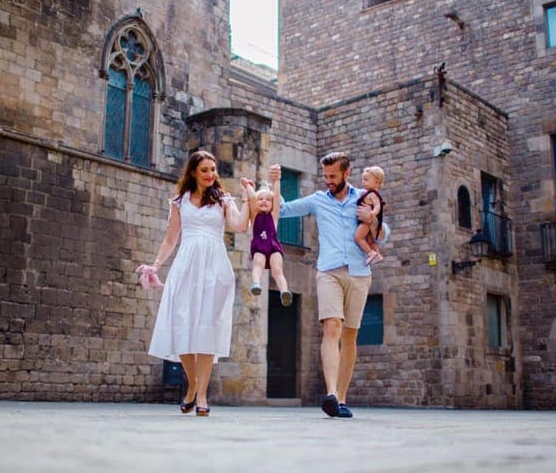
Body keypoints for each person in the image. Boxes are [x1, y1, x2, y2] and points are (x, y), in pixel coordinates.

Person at [270, 152, 389, 419]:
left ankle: (343, 398)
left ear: (347, 174)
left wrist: (372, 220)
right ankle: (332, 394)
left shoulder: (364, 196)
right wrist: (276, 184)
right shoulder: (317, 201)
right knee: (331, 326)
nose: (328, 181)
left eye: (333, 176)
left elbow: (384, 233)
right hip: (329, 272)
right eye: (325, 176)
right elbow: (283, 210)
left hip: (359, 273)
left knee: (349, 335)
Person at [137, 150, 249, 417]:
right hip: (186, 267)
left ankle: (201, 396)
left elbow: (240, 225)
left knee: (206, 330)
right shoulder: (179, 201)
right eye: (205, 170)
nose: (211, 174)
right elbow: (170, 239)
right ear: (193, 172)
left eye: (213, 170)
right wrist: (156, 265)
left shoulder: (223, 199)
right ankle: (193, 385)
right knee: (182, 326)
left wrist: (247, 199)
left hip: (214, 268)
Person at [241, 176, 293, 307]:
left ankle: (284, 292)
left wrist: (276, 180)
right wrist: (248, 186)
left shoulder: (274, 215)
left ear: (273, 203)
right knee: (258, 263)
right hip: (259, 246)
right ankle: (256, 283)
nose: (264, 201)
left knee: (277, 270)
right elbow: (252, 198)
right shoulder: (254, 216)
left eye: (268, 200)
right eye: (261, 199)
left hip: (273, 246)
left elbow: (276, 196)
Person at [355, 166, 386, 266]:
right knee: (369, 240)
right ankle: (377, 254)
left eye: (366, 180)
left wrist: (372, 213)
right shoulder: (367, 193)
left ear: (376, 182)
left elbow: (378, 206)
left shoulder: (373, 194)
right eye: (363, 180)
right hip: (366, 220)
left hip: (366, 221)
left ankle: (370, 253)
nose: (363, 182)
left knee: (358, 238)